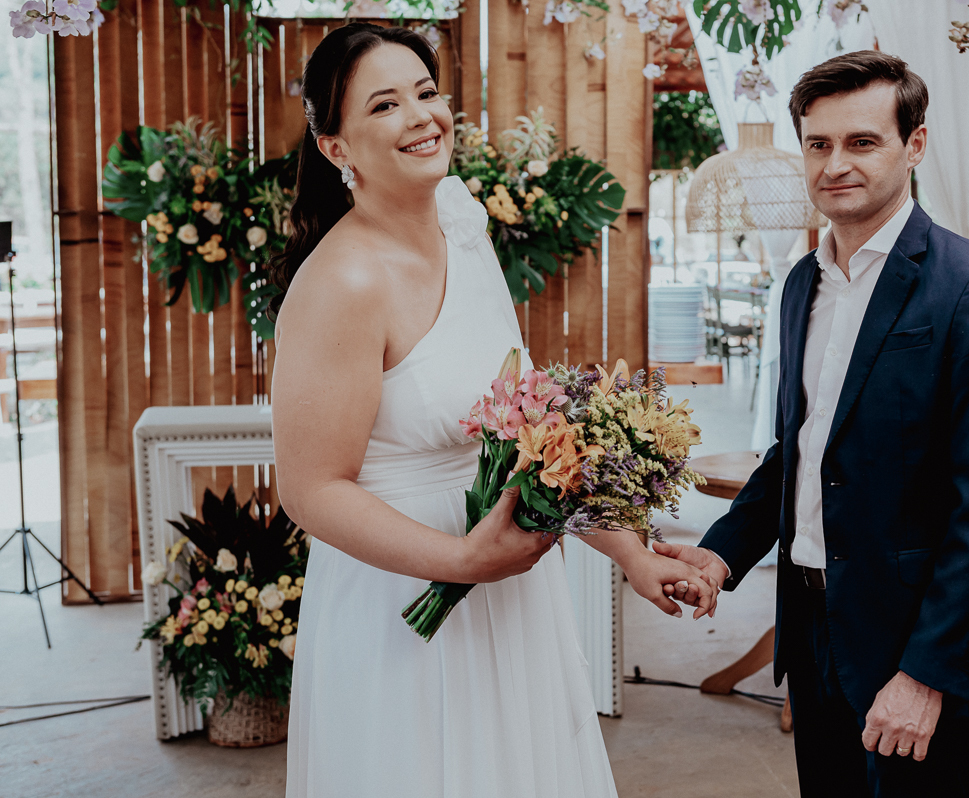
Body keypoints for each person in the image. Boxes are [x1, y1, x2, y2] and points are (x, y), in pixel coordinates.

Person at [268, 24, 717, 797]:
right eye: (385, 104)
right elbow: (311, 490)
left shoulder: (460, 219)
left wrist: (633, 553)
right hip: (399, 603)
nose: (421, 116)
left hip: (510, 591)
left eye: (426, 92)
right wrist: (462, 563)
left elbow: (529, 433)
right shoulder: (341, 283)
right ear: (336, 146)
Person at [657, 50, 969, 797]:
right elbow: (801, 451)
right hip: (809, 623)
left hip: (910, 638)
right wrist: (721, 554)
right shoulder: (801, 284)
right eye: (818, 144)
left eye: (862, 142)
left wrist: (928, 673)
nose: (835, 165)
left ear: (914, 145)